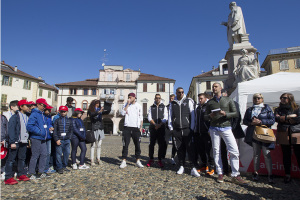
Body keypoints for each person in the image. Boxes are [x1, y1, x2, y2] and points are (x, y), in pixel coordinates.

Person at [204, 83, 247, 185]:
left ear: (220, 88)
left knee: (234, 150)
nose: (214, 88)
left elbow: (235, 113)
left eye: (216, 86)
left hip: (226, 127)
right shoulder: (210, 102)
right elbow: (205, 117)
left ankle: (235, 174)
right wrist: (210, 115)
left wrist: (226, 114)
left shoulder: (228, 100)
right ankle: (220, 172)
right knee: (216, 151)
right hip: (214, 128)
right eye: (213, 87)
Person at [243, 93, 275, 184]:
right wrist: (251, 123)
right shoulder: (250, 109)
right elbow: (245, 120)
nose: (257, 99)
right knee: (256, 154)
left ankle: (270, 174)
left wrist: (261, 121)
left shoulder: (267, 109)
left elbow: (272, 120)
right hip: (254, 134)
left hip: (264, 134)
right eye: (255, 98)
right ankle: (256, 172)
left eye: (258, 98)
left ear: (262, 99)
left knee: (266, 154)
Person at [168, 87, 200, 177]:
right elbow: (170, 115)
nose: (181, 93)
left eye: (182, 92)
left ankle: (193, 168)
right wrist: (171, 128)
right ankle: (181, 166)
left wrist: (192, 127)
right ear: (176, 93)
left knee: (190, 149)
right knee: (179, 149)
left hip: (187, 129)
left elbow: (192, 115)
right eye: (179, 92)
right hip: (177, 129)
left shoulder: (188, 101)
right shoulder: (172, 103)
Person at [4, 100, 31, 185]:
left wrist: (27, 141)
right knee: (11, 160)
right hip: (16, 141)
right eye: (26, 106)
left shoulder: (27, 116)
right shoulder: (15, 117)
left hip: (24, 141)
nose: (28, 107)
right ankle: (8, 177)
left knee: (22, 159)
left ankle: (21, 174)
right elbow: (11, 130)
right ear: (21, 106)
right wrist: (12, 142)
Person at [275, 93, 300, 183]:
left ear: (290, 99)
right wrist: (289, 117)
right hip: (283, 132)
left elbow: (298, 119)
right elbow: (276, 119)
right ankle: (287, 175)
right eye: (281, 97)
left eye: (284, 98)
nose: (282, 99)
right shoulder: (278, 109)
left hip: (295, 132)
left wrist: (284, 119)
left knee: (298, 154)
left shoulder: (297, 108)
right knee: (286, 154)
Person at [27, 98, 50, 179]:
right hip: (36, 137)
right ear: (38, 104)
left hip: (43, 138)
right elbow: (30, 126)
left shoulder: (42, 114)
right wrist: (40, 132)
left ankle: (41, 171)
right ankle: (31, 173)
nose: (44, 107)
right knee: (35, 155)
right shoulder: (34, 114)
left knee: (44, 154)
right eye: (43, 105)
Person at [120, 93, 144, 169]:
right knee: (125, 145)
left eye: (130, 97)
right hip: (127, 127)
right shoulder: (126, 105)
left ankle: (137, 161)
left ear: (134, 97)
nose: (129, 98)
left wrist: (140, 127)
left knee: (137, 145)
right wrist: (127, 104)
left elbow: (141, 117)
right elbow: (122, 113)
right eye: (128, 97)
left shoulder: (139, 106)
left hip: (136, 128)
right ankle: (124, 161)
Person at [194, 93, 214, 175]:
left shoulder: (208, 107)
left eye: (201, 98)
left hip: (207, 132)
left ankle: (211, 167)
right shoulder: (198, 108)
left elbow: (211, 118)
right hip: (199, 132)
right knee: (201, 150)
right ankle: (204, 165)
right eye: (199, 98)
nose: (200, 100)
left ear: (205, 98)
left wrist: (209, 129)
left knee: (209, 151)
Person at [146, 94, 168, 168]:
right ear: (154, 99)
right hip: (153, 128)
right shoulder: (151, 107)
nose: (158, 99)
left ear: (160, 99)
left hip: (161, 128)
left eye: (159, 98)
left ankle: (159, 159)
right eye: (156, 98)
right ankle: (151, 158)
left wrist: (160, 124)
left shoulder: (164, 107)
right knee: (151, 144)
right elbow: (149, 117)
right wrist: (155, 124)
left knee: (161, 144)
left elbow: (166, 117)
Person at [1, 100, 19, 180]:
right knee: (5, 155)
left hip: (13, 138)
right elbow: (2, 128)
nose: (18, 108)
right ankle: (3, 172)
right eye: (17, 106)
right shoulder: (5, 116)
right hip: (6, 138)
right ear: (12, 107)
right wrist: (2, 139)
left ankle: (10, 171)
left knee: (11, 156)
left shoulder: (17, 115)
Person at [53, 106, 73, 174]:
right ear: (59, 112)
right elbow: (55, 131)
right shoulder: (57, 120)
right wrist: (57, 139)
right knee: (58, 154)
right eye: (62, 111)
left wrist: (69, 138)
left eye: (64, 111)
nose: (63, 113)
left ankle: (64, 166)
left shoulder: (69, 121)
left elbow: (71, 130)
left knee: (66, 153)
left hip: (67, 140)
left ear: (67, 112)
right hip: (60, 140)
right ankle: (59, 167)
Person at [87, 99, 105, 166]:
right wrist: (99, 111)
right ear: (94, 104)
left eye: (99, 103)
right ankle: (92, 160)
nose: (98, 104)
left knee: (99, 144)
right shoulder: (90, 110)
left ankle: (98, 159)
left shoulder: (100, 110)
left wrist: (109, 105)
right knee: (93, 145)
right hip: (93, 127)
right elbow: (92, 115)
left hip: (100, 127)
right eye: (97, 103)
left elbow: (107, 112)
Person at [43, 105, 56, 174]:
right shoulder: (42, 116)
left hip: (49, 136)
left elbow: (50, 124)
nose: (49, 111)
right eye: (48, 110)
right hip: (43, 136)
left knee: (48, 152)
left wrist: (51, 127)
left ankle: (47, 167)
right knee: (43, 153)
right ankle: (43, 167)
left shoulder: (49, 117)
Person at [165, 94, 177, 165]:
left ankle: (172, 157)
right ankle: (163, 157)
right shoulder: (166, 107)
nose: (172, 100)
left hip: (175, 127)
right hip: (167, 127)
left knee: (174, 144)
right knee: (165, 142)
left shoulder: (177, 107)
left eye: (173, 98)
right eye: (171, 99)